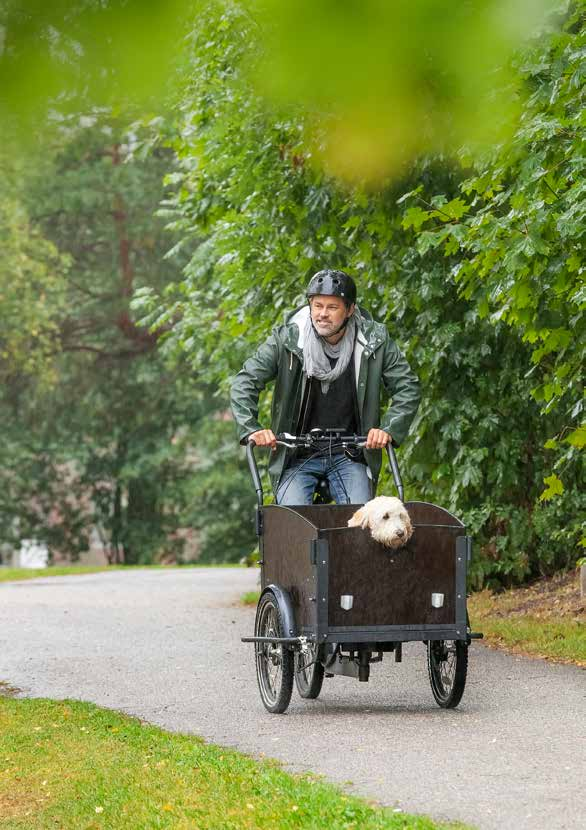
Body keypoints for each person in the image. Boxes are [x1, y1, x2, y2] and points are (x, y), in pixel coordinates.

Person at [230, 269, 420, 504]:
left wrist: (388, 429)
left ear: (350, 310)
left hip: (351, 454)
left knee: (360, 524)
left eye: (332, 307)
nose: (322, 314)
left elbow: (407, 387)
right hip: (296, 456)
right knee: (292, 524)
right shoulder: (287, 339)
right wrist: (252, 429)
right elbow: (244, 381)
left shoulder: (374, 341)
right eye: (317, 305)